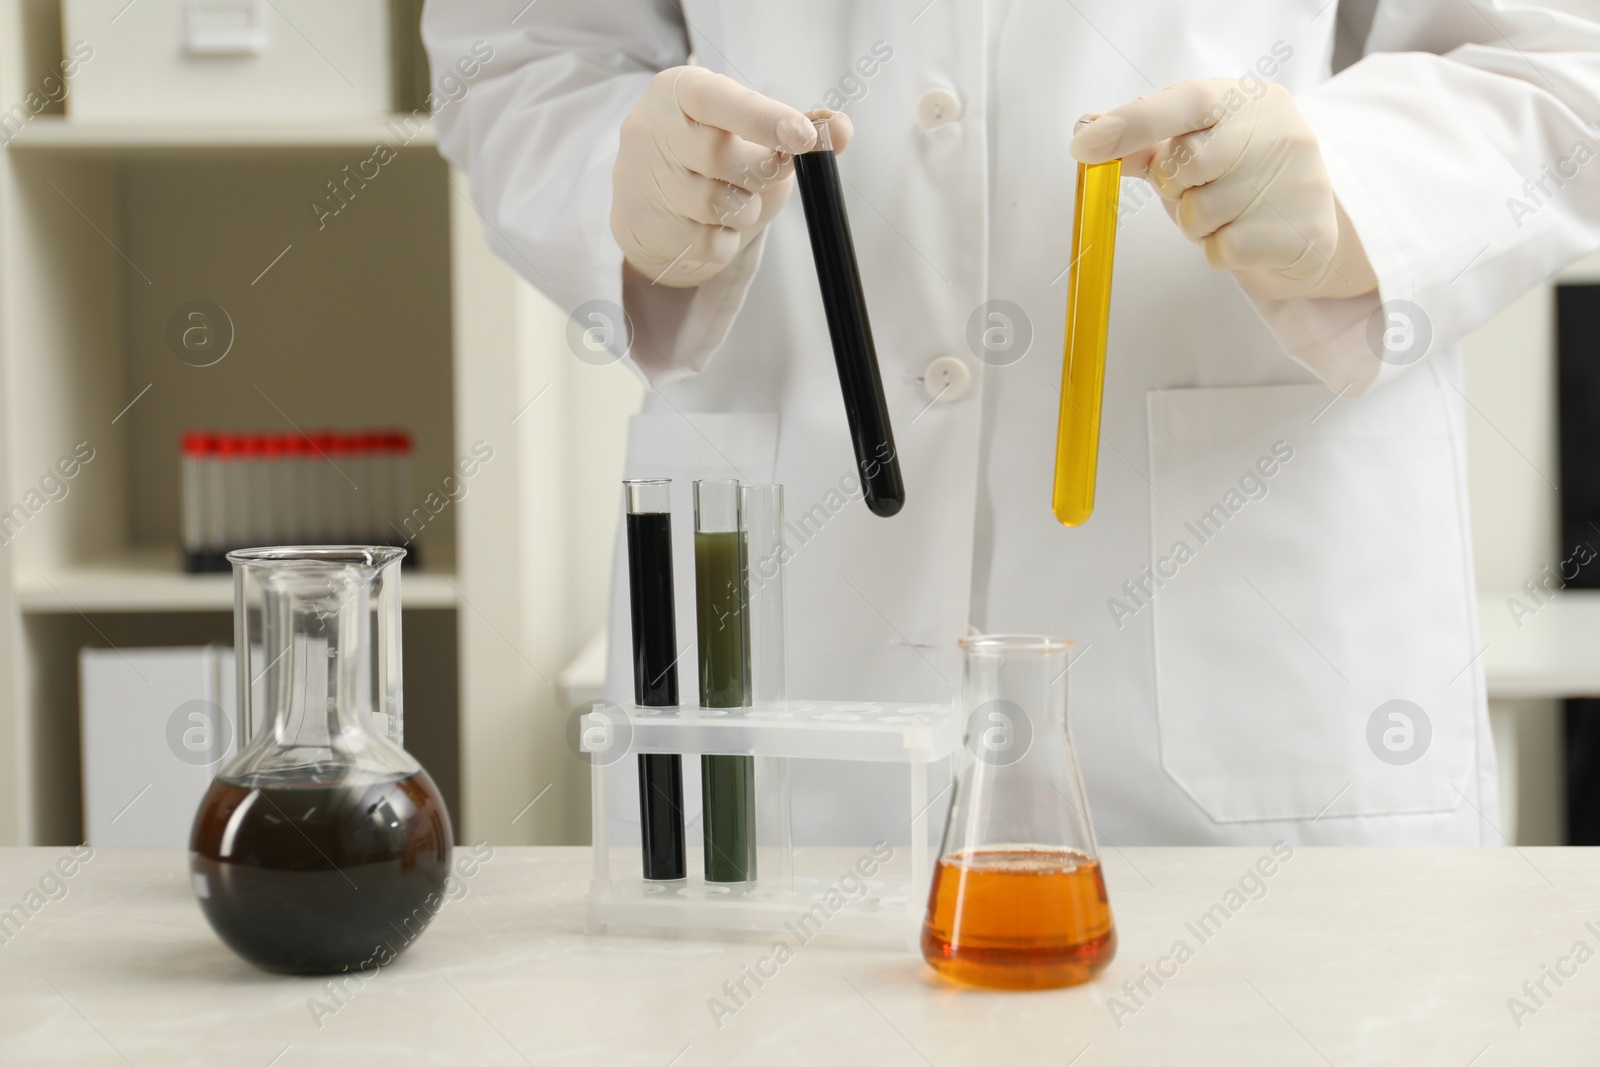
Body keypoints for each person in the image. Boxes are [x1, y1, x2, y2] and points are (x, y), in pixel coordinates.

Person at [423, 1, 1600, 846]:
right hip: (804, 665)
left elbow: (1555, 51)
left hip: (1250, 656)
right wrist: (625, 178)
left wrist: (1347, 189)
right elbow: (521, 56)